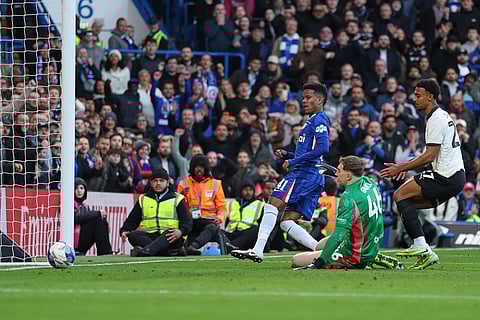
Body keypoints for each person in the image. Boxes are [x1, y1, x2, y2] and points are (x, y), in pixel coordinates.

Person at [231, 82, 330, 263]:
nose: (304, 101)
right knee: (286, 222)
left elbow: (323, 148)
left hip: (303, 174)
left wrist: (294, 161)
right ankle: (320, 251)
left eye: (308, 98)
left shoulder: (319, 120)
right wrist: (289, 154)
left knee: (272, 205)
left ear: (319, 99)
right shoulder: (312, 120)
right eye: (303, 98)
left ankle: (257, 250)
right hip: (312, 176)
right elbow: (311, 152)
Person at [380, 78, 465, 270]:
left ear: (430, 97)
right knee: (405, 202)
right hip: (455, 177)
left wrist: (400, 167)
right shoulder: (440, 115)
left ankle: (420, 245)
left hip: (446, 176)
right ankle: (426, 251)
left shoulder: (436, 119)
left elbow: (429, 156)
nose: (415, 99)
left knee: (399, 195)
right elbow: (432, 155)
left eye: (418, 95)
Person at [291, 156, 403, 270]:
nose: (336, 175)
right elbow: (352, 177)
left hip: (353, 254)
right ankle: (371, 256)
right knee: (320, 245)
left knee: (297, 259)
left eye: (339, 171)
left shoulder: (348, 198)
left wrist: (318, 264)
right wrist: (335, 171)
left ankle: (370, 259)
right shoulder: (369, 182)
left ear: (348, 175)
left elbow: (338, 236)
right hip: (370, 243)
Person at [119, 168, 192, 257]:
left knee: (169, 233)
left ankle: (145, 251)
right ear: (151, 182)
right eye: (155, 181)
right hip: (151, 236)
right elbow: (132, 220)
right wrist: (125, 230)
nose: (158, 183)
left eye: (161, 181)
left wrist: (180, 231)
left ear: (167, 182)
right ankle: (168, 252)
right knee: (133, 235)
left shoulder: (178, 199)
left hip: (171, 237)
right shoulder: (143, 199)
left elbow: (188, 223)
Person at [177, 155, 225, 255]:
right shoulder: (183, 184)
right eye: (196, 166)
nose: (199, 169)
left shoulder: (216, 184)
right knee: (213, 229)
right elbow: (179, 206)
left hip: (209, 220)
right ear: (192, 168)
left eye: (202, 166)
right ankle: (192, 247)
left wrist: (220, 217)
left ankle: (193, 246)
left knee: (213, 227)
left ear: (206, 168)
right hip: (191, 221)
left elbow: (221, 207)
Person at [74, 178, 112, 255]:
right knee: (97, 218)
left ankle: (106, 253)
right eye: (76, 188)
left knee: (100, 220)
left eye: (81, 188)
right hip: (73, 240)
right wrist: (97, 213)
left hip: (82, 239)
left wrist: (105, 223)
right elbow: (75, 219)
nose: (79, 191)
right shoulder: (68, 202)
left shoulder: (85, 206)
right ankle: (105, 252)